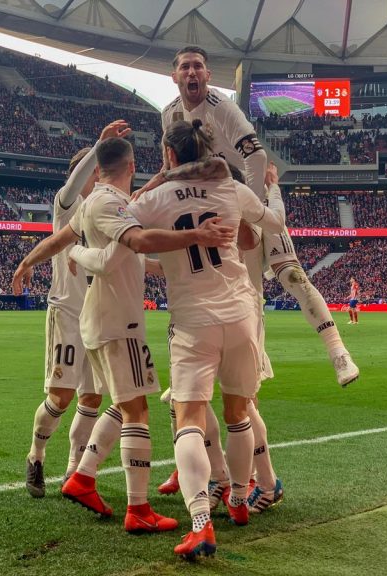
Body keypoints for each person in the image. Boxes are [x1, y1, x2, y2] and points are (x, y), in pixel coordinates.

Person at [69, 120, 285, 559]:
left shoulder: (154, 199)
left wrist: (75, 250)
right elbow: (274, 223)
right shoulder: (230, 189)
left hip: (193, 321)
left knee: (188, 418)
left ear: (168, 156)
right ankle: (240, 501)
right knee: (239, 412)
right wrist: (270, 190)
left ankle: (202, 523)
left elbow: (123, 224)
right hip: (241, 313)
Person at [12, 136, 234, 534]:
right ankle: (138, 509)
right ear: (130, 166)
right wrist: (195, 236)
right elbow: (135, 241)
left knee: (119, 402)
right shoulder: (107, 205)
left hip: (101, 320)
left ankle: (82, 474)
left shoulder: (97, 205)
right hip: (117, 322)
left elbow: (74, 243)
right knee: (136, 412)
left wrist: (30, 260)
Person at [143, 46, 359, 388]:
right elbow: (171, 167)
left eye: (198, 65)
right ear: (175, 76)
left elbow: (256, 158)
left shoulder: (222, 108)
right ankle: (225, 365)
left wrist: (246, 208)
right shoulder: (169, 114)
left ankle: (338, 353)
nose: (192, 72)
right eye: (185, 67)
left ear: (208, 75)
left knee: (291, 276)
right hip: (208, 206)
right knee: (231, 290)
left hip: (244, 198)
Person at [21, 120, 132, 500]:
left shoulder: (103, 208)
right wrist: (99, 144)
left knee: (92, 398)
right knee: (60, 397)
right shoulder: (66, 204)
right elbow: (72, 186)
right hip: (67, 312)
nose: (96, 175)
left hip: (97, 316)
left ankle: (73, 472)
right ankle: (36, 454)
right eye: (92, 169)